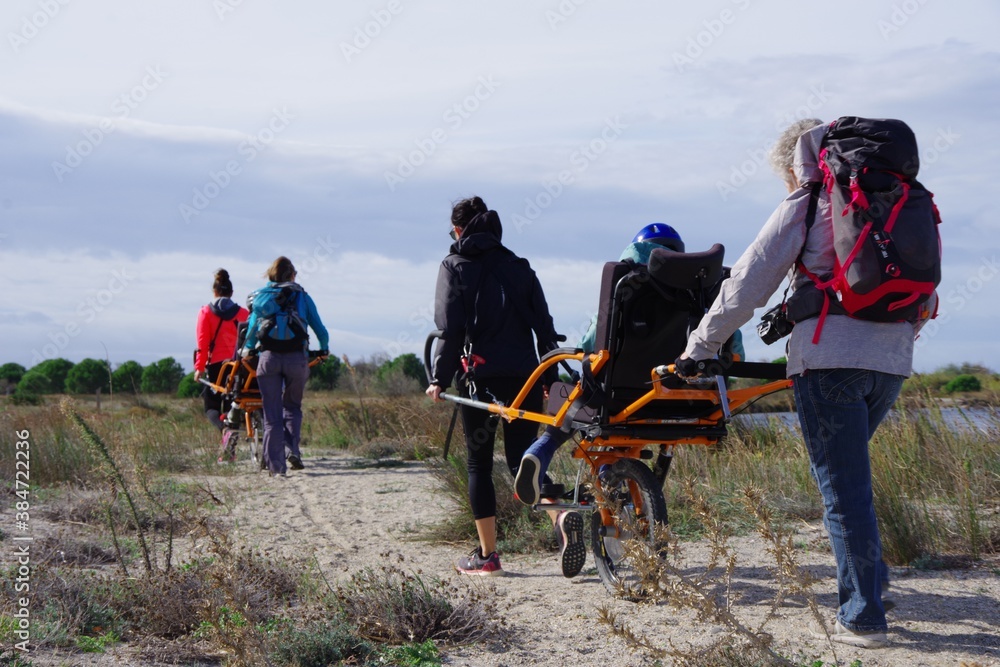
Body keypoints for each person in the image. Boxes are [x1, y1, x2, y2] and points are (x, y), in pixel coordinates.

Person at [675, 119, 934, 649]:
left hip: (828, 362)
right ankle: (872, 586)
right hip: (891, 364)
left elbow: (746, 284)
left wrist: (698, 348)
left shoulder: (808, 201)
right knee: (849, 485)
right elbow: (925, 297)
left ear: (796, 167)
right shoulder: (900, 200)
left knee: (843, 495)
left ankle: (863, 617)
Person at [426, 196, 563, 577]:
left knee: (479, 464)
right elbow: (545, 330)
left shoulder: (453, 266)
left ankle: (488, 556)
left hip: (479, 381)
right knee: (524, 462)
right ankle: (562, 518)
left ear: (457, 230)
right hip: (526, 378)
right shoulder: (519, 267)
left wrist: (438, 377)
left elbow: (450, 330)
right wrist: (551, 382)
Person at [242, 256, 329, 478]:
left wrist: (248, 349)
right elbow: (320, 328)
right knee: (292, 407)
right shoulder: (302, 296)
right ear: (292, 275)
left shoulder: (262, 298)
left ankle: (277, 469)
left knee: (272, 416)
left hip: (268, 359)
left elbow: (252, 330)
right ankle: (294, 452)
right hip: (296, 359)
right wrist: (324, 348)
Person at [193, 268, 249, 461]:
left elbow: (202, 343)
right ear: (231, 293)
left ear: (214, 292)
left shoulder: (205, 312)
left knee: (211, 408)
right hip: (240, 366)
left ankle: (224, 432)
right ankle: (228, 451)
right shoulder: (244, 313)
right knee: (232, 408)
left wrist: (199, 368)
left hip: (217, 366)